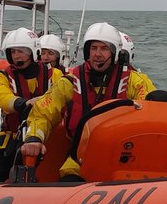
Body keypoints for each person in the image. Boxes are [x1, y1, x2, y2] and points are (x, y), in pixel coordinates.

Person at [21, 21, 156, 180]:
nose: (97, 54)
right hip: (80, 160)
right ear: (87, 51)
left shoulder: (135, 81)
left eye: (104, 48)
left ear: (116, 53)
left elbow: (152, 110)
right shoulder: (70, 82)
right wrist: (34, 138)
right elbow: (42, 113)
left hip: (123, 160)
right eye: (93, 48)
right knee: (68, 182)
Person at [0, 27, 52, 180]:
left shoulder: (55, 75)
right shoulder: (1, 77)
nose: (17, 56)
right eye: (13, 52)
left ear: (33, 51)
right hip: (13, 136)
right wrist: (24, 103)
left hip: (46, 135)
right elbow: (3, 98)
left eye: (21, 51)